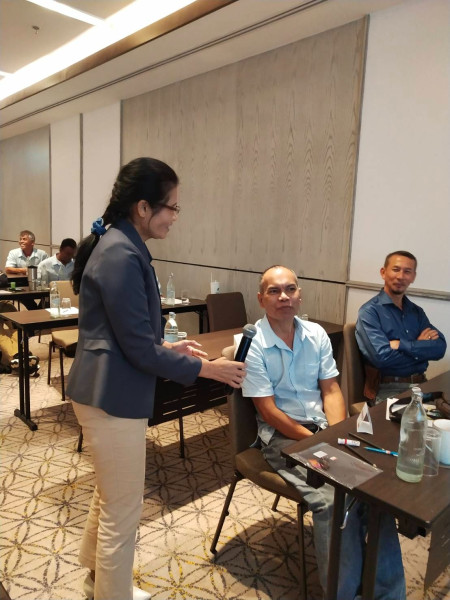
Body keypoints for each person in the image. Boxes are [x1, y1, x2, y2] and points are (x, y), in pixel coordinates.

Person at [66, 157, 246, 600]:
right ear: (143, 207)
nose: (175, 217)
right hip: (111, 397)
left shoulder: (120, 246)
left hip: (107, 388)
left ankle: (96, 580)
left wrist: (168, 347)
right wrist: (210, 369)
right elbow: (137, 349)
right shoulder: (121, 254)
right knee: (123, 509)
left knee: (111, 496)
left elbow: (127, 333)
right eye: (172, 207)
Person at [242, 265, 406, 600]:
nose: (284, 297)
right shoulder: (252, 343)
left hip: (323, 430)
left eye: (290, 289)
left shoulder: (315, 334)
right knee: (333, 501)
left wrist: (335, 432)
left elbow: (331, 389)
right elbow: (268, 411)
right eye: (274, 291)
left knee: (377, 492)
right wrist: (320, 441)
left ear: (300, 295)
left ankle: (389, 594)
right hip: (283, 437)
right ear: (261, 299)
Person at [356, 251, 446, 403]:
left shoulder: (416, 312)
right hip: (388, 389)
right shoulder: (369, 312)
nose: (401, 276)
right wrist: (420, 347)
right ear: (383, 272)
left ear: (413, 277)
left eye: (407, 271)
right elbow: (382, 358)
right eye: (396, 269)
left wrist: (401, 345)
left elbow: (440, 348)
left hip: (422, 385)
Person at [5, 230, 48, 310]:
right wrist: (25, 270)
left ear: (32, 243)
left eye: (24, 239)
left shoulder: (42, 254)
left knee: (47, 296)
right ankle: (36, 311)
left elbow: (47, 268)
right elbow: (8, 269)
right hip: (21, 284)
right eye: (20, 239)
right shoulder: (13, 253)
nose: (21, 241)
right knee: (23, 295)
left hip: (38, 283)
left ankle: (38, 311)